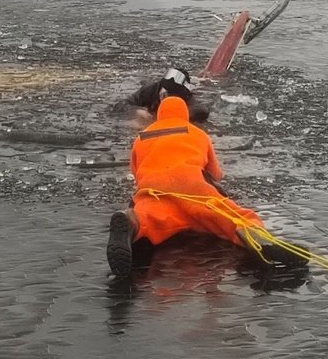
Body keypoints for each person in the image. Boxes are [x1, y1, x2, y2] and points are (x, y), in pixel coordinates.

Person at [107, 95, 309, 278]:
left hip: (153, 189)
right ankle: (257, 238)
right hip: (192, 186)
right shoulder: (197, 133)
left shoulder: (142, 138)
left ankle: (130, 223)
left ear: (159, 115)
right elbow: (214, 173)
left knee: (148, 218)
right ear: (185, 115)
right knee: (231, 216)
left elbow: (136, 172)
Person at [124, 67, 209, 125]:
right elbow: (121, 104)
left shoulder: (190, 102)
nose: (166, 100)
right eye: (164, 95)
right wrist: (136, 111)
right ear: (161, 88)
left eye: (173, 97)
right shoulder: (149, 91)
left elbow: (202, 112)